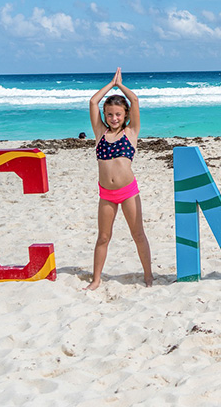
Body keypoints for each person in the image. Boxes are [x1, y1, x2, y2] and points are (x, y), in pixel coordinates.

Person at [85, 68, 153, 290]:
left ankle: (148, 276)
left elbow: (134, 99)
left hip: (128, 192)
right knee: (103, 237)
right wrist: (110, 84)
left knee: (138, 235)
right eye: (110, 114)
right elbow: (93, 101)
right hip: (106, 194)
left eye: (118, 114)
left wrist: (120, 85)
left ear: (125, 116)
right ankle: (96, 279)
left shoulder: (131, 132)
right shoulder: (99, 133)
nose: (114, 118)